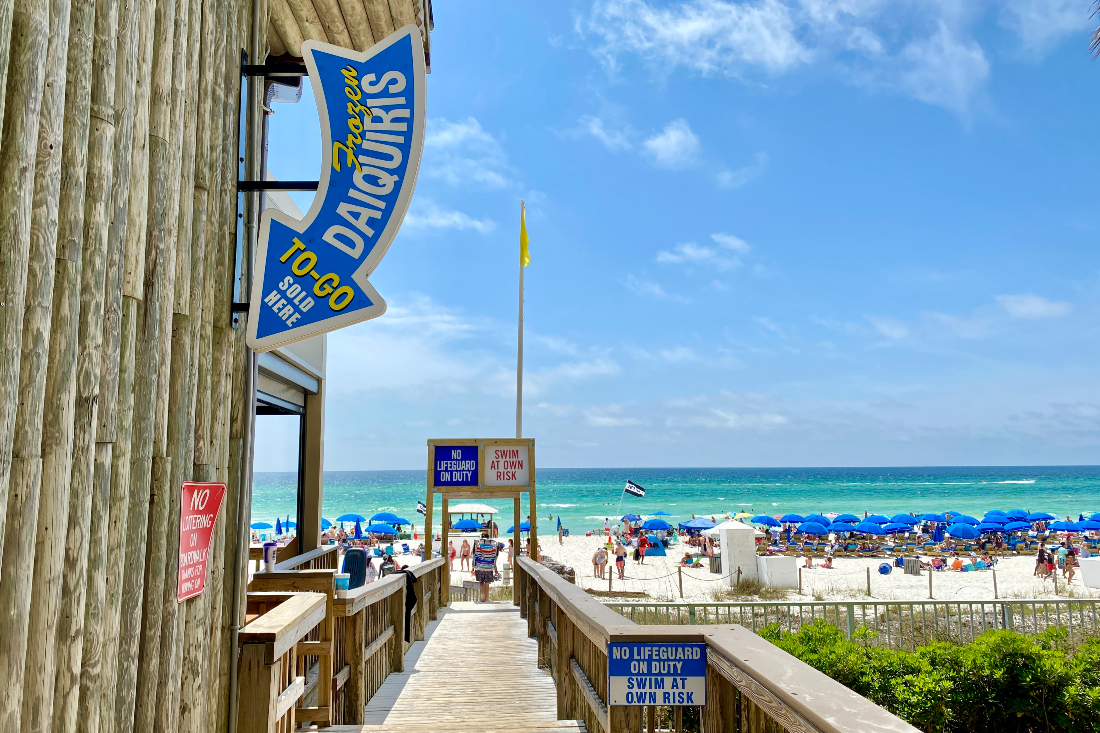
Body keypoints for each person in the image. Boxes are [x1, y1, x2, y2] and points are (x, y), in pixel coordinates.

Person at [472, 531, 500, 602]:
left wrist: (474, 566)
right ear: (488, 537)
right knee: (487, 583)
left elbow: (476, 555)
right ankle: (486, 598)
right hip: (489, 567)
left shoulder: (479, 545)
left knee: (481, 582)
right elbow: (494, 557)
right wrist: (495, 568)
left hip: (480, 566)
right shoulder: (492, 546)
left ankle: (482, 596)